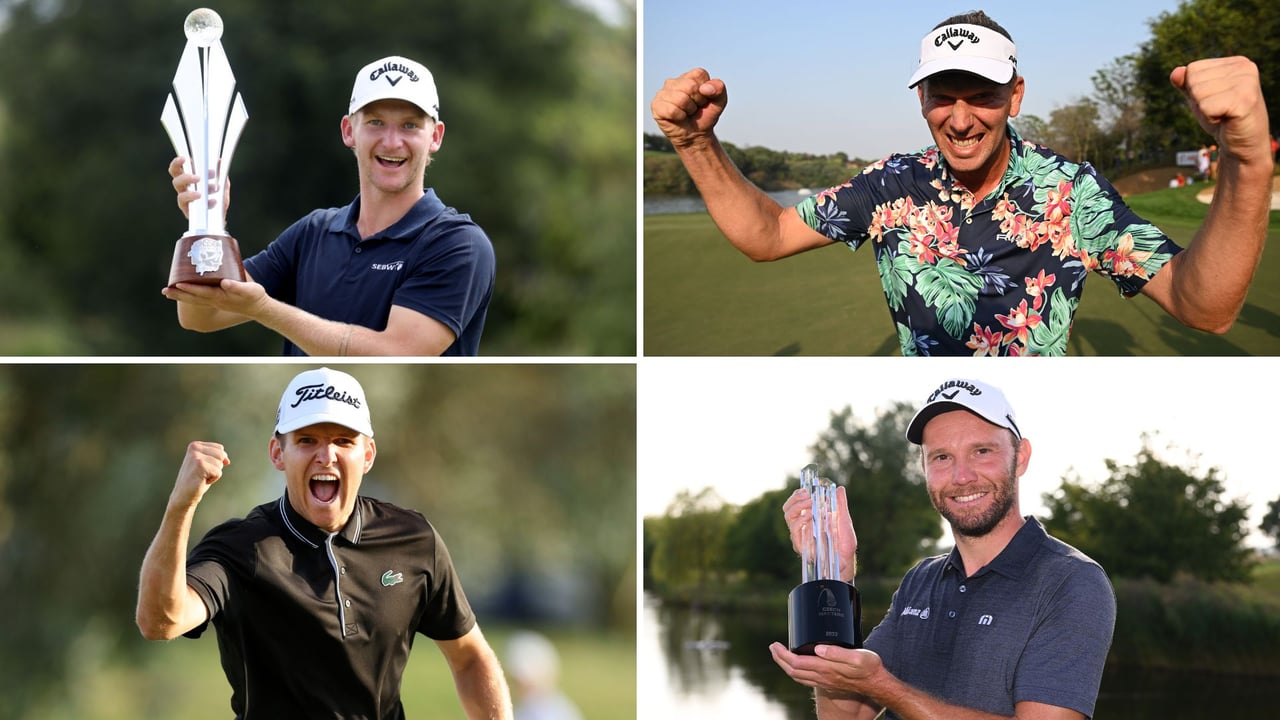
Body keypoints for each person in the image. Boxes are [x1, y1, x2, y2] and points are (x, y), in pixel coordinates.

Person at [650, 11, 1274, 356]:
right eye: (943, 95)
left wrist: (1246, 161)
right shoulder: (891, 182)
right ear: (920, 97)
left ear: (1015, 95)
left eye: (983, 95)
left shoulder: (1074, 192)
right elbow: (768, 234)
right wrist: (693, 142)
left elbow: (1204, 307)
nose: (961, 116)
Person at [135, 367, 512, 719]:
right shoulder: (239, 548)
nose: (326, 455)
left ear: (367, 455)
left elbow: (470, 658)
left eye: (343, 441)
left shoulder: (413, 539)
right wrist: (180, 507)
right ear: (278, 453)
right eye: (307, 440)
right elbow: (160, 622)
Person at [770, 378, 1116, 719]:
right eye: (941, 457)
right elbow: (846, 716)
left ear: (1020, 457)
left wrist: (884, 686)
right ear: (924, 468)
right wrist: (834, 573)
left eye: (982, 451)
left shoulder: (1072, 581)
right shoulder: (920, 579)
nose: (961, 476)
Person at [164, 56, 495, 356]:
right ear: (349, 131)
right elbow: (201, 315)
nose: (392, 141)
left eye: (410, 125)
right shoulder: (314, 232)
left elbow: (397, 354)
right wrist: (207, 224)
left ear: (435, 136)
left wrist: (265, 309)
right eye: (376, 122)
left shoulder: (457, 244)